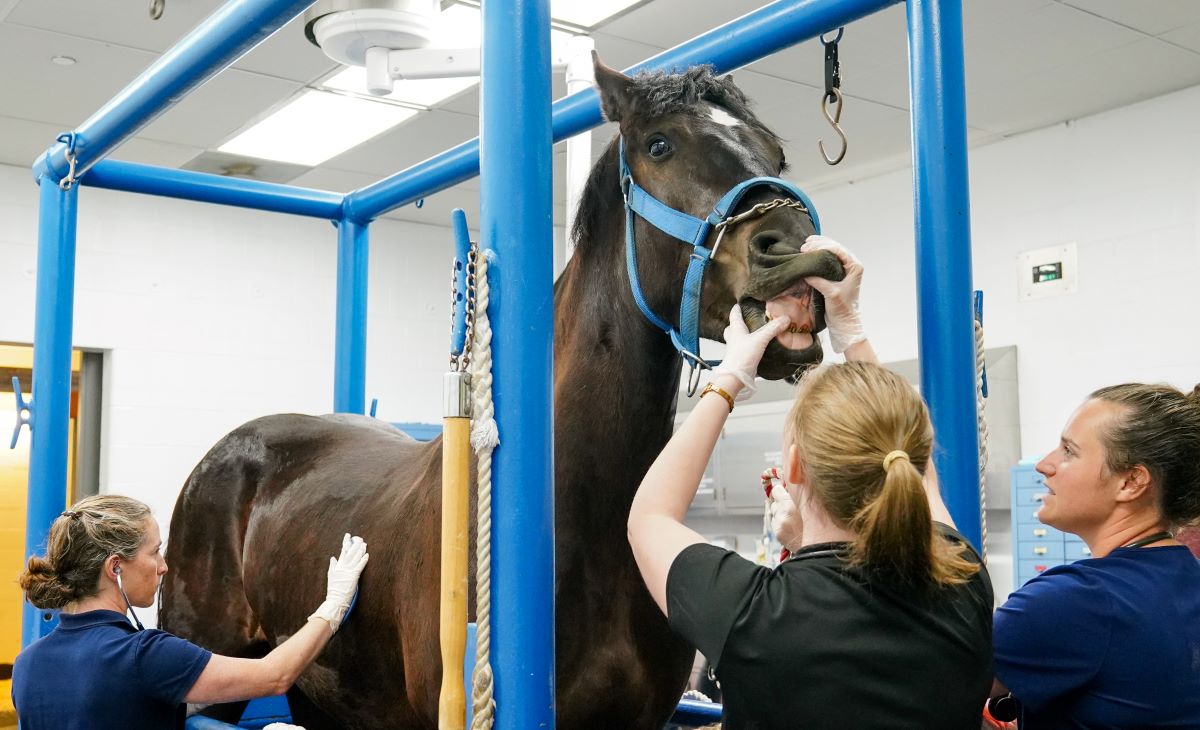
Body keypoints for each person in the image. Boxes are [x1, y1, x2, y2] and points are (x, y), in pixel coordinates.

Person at [627, 236, 994, 730]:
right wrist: (851, 331)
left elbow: (648, 516)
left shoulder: (751, 613)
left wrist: (730, 375)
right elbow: (911, 454)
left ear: (793, 466)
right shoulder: (963, 581)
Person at [12, 494, 368, 730]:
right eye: (155, 553)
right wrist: (333, 604)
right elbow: (274, 676)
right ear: (115, 567)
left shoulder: (27, 665)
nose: (164, 567)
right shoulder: (144, 655)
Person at [991, 383, 1200, 728]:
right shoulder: (1187, 579)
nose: (1044, 465)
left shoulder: (1078, 600)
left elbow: (930, 687)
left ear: (1131, 482)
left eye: (1069, 451)